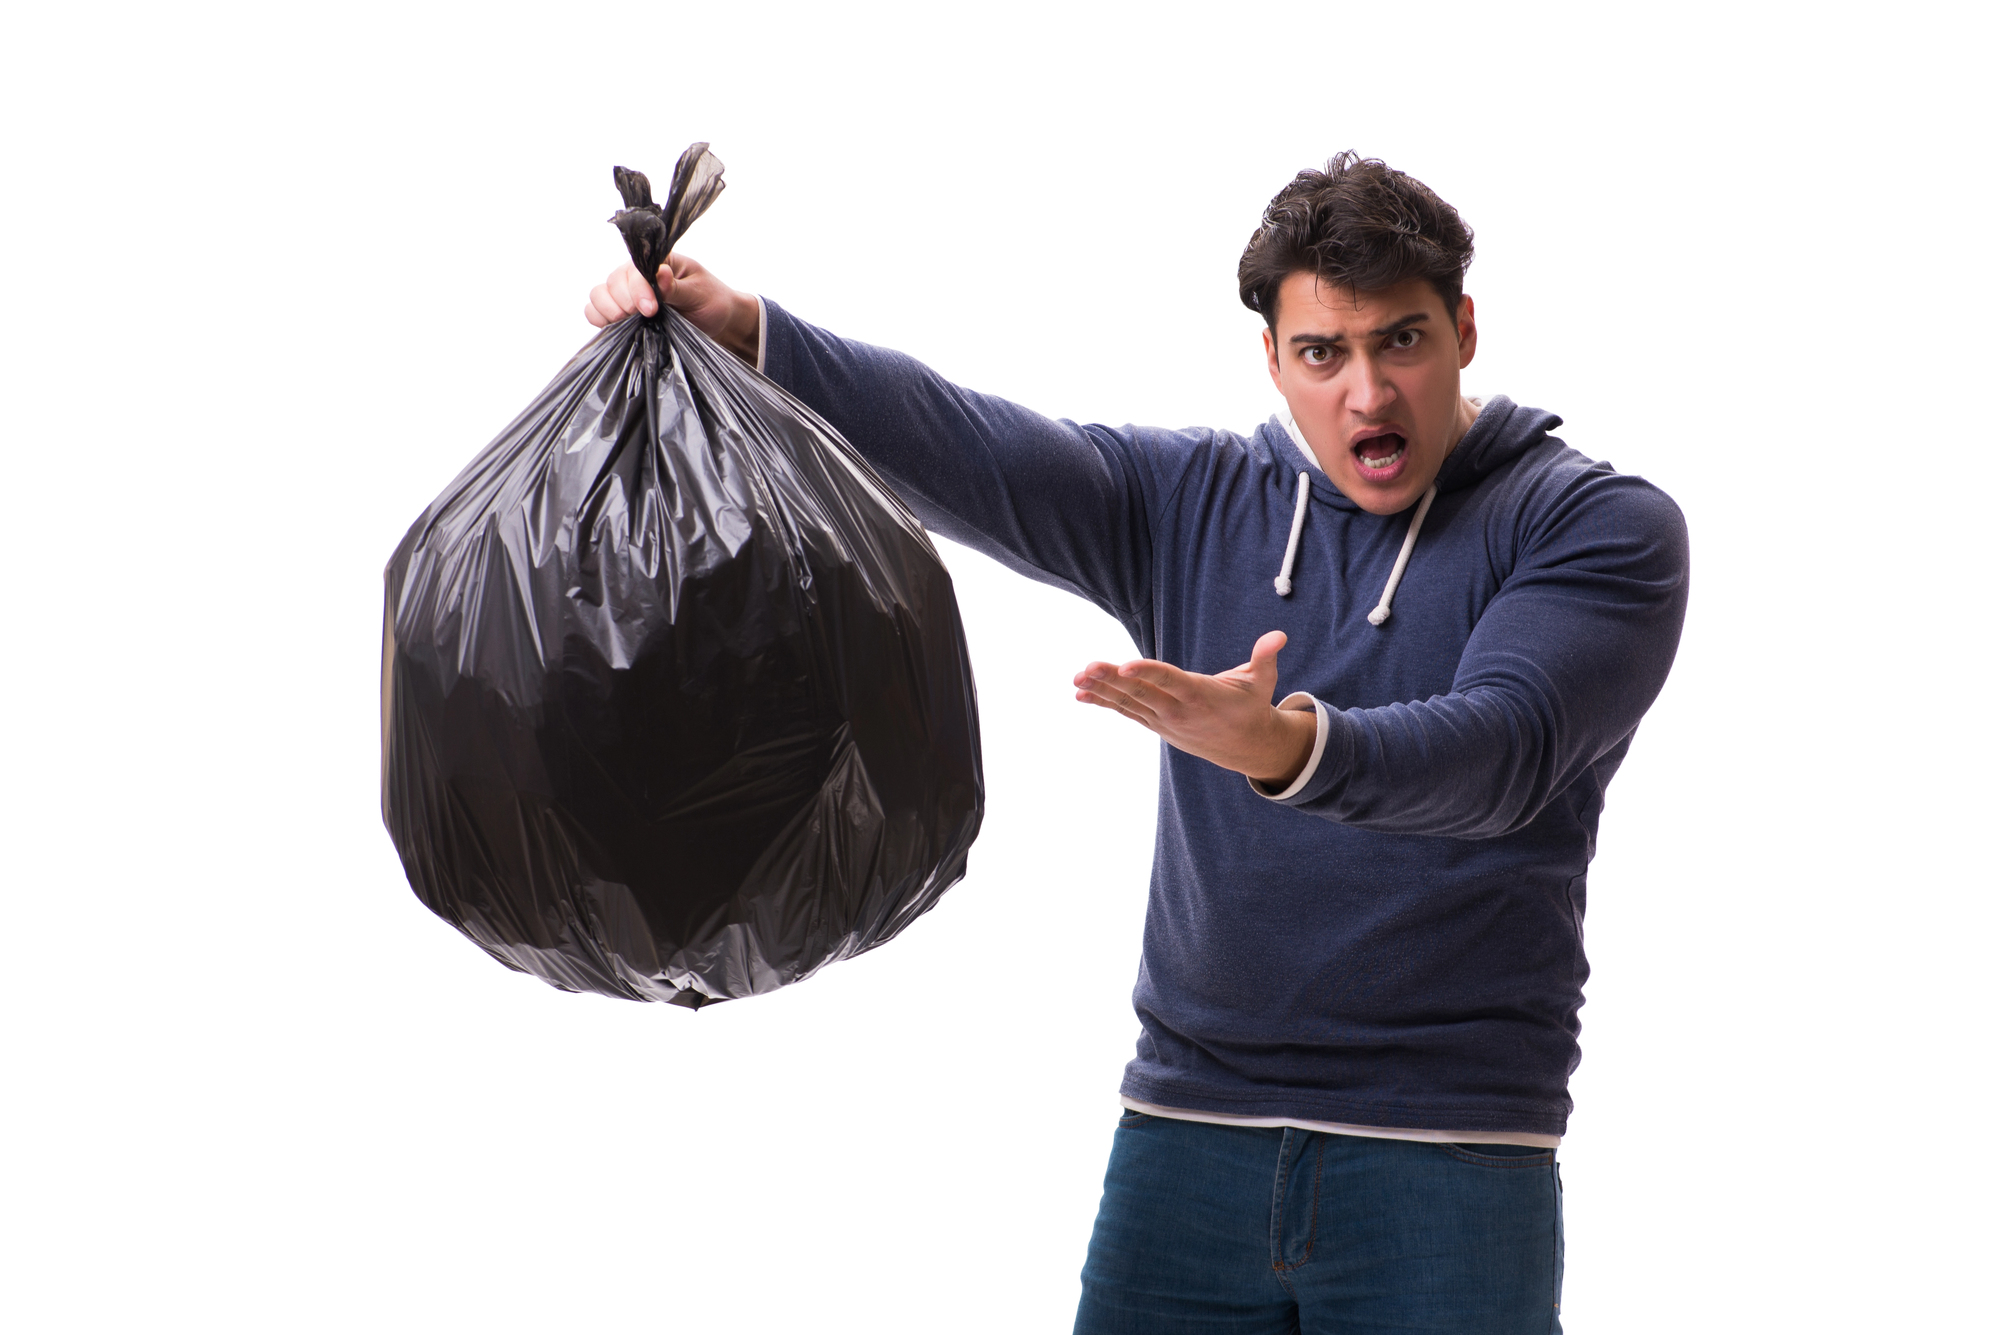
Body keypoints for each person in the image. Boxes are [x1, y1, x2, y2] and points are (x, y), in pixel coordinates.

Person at [586, 153, 1689, 1334]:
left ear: (1463, 330)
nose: (1367, 394)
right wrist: (746, 329)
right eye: (1323, 353)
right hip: (1183, 1144)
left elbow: (1501, 751)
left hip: (1449, 1160)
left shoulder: (1593, 527)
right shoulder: (1196, 504)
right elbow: (975, 447)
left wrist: (1283, 746)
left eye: (1400, 342)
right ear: (1271, 359)